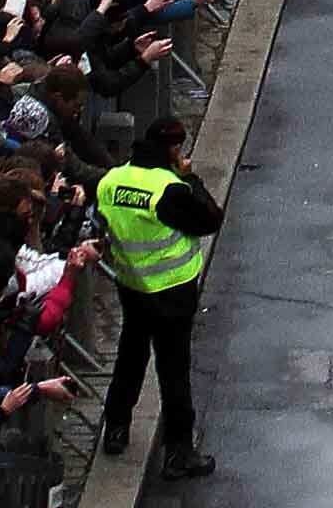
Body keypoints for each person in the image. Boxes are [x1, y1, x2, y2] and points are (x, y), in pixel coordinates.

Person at [96, 108, 225, 481]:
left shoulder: (112, 180)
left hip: (131, 285)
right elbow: (210, 219)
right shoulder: (168, 190)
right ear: (173, 149)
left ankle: (116, 429)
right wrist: (190, 177)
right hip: (172, 291)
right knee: (173, 372)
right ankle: (179, 452)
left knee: (130, 356)